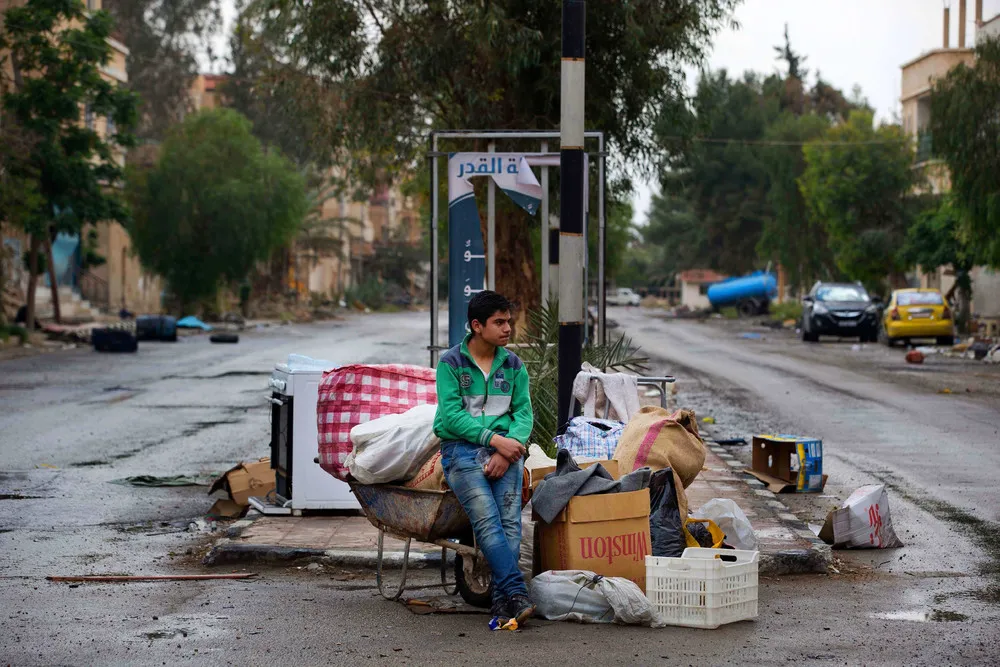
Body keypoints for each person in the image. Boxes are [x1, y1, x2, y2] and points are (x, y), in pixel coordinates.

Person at [433, 290, 536, 626]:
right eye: (499, 322)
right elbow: (451, 417)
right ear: (477, 326)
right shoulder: (451, 363)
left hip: (505, 451)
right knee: (487, 522)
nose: (508, 328)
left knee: (510, 525)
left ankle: (504, 605)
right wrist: (494, 440)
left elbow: (523, 413)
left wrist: (508, 449)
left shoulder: (514, 365)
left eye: (509, 321)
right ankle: (515, 593)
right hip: (460, 451)